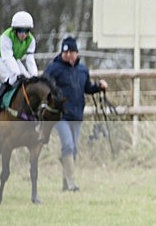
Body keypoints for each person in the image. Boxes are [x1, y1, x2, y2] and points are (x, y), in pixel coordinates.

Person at [43, 36, 108, 191]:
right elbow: (44, 86)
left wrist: (98, 87)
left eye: (71, 52)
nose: (68, 55)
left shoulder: (83, 70)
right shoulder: (53, 69)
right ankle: (72, 184)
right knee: (68, 145)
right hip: (60, 115)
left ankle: (65, 183)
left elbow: (87, 88)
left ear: (76, 53)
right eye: (65, 52)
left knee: (73, 149)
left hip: (77, 115)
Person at [0, 11, 39, 109]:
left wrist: (34, 76)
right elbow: (7, 58)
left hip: (13, 57)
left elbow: (30, 59)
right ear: (15, 30)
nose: (23, 34)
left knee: (27, 77)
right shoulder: (6, 36)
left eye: (26, 31)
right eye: (20, 30)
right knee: (11, 77)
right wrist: (18, 74)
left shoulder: (31, 40)